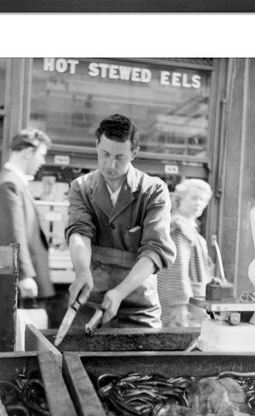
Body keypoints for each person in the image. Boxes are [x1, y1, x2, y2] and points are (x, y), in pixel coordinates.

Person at [65, 114, 176, 328]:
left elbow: (155, 250)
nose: (110, 164)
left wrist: (119, 292)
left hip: (138, 307)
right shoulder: (81, 187)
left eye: (119, 157)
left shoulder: (153, 190)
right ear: (97, 145)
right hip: (89, 301)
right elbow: (79, 233)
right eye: (105, 154)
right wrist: (82, 271)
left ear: (134, 153)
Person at [0, 128, 55, 302]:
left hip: (23, 278)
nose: (42, 161)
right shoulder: (9, 184)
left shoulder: (13, 182)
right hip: (20, 281)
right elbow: (13, 233)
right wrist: (23, 275)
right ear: (27, 153)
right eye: (41, 155)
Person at [158, 179, 214, 327]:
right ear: (180, 199)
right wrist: (180, 305)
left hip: (193, 301)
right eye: (194, 198)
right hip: (182, 306)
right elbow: (176, 269)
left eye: (203, 200)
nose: (198, 203)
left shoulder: (188, 227)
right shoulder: (178, 228)